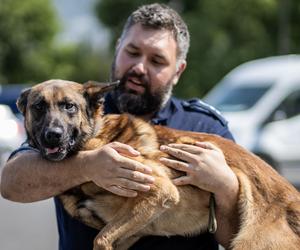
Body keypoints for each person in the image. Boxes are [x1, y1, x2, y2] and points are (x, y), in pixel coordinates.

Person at [1, 3, 239, 250]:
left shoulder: (204, 126)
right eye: (132, 52)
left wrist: (226, 187)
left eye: (157, 60)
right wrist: (88, 165)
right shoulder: (80, 114)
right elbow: (11, 185)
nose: (139, 68)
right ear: (117, 48)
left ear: (178, 71)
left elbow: (235, 238)